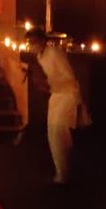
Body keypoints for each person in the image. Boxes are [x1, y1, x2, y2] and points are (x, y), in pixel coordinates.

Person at [26, 29, 91, 184]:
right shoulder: (40, 56)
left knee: (58, 131)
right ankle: (62, 170)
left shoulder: (55, 53)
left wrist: (50, 85)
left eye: (33, 42)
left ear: (42, 41)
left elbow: (68, 76)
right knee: (53, 132)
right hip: (56, 95)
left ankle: (65, 172)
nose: (31, 46)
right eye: (29, 43)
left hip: (67, 94)